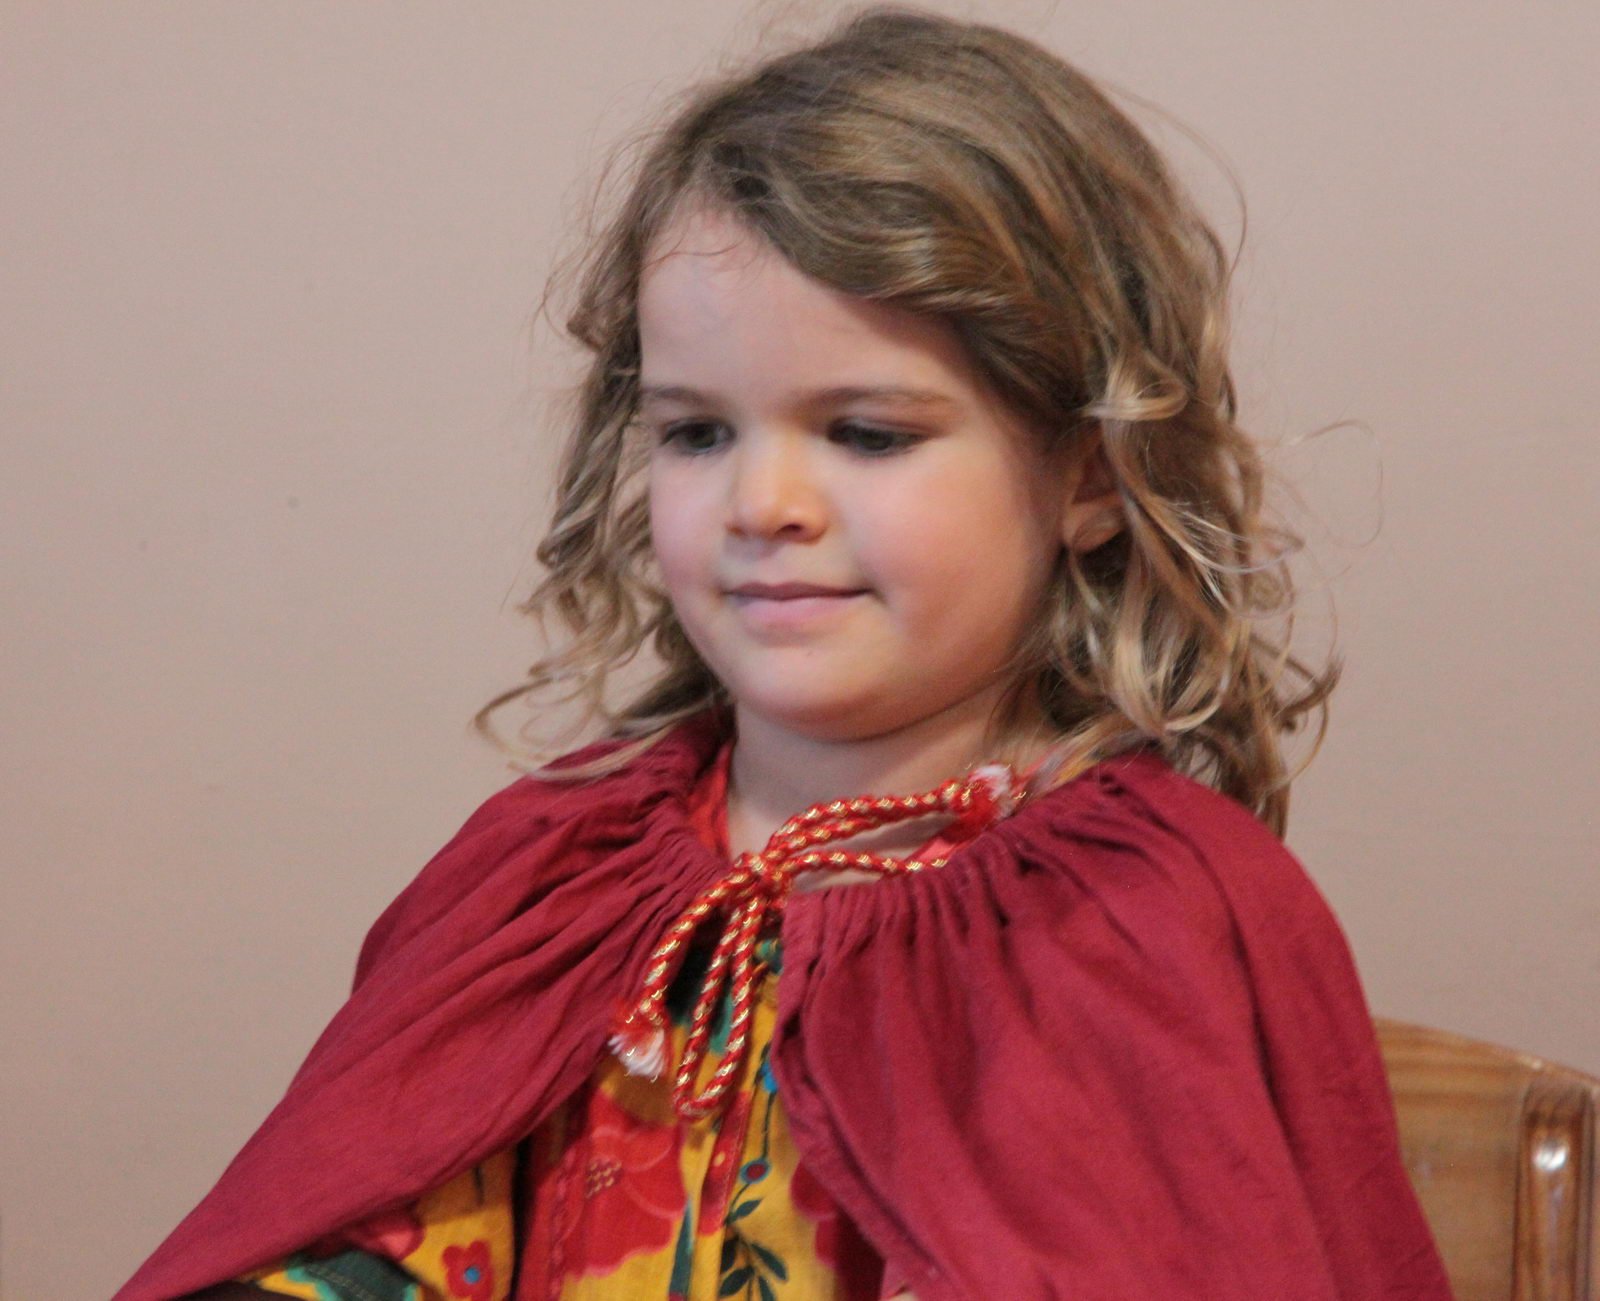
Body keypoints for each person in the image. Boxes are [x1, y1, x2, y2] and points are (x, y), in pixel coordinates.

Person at [118, 8, 1453, 1300]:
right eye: (698, 432)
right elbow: (375, 1232)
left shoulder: (1149, 920)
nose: (763, 504)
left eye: (867, 433)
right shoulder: (548, 877)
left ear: (1092, 472)